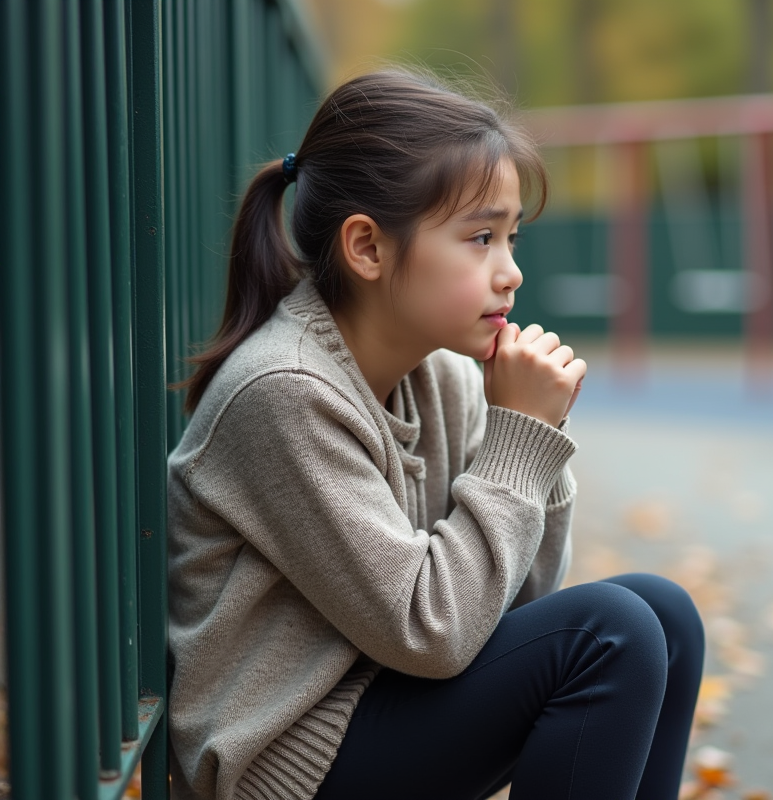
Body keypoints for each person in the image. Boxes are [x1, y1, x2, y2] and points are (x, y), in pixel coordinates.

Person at [168, 68, 704, 800]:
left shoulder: (442, 376)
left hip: (387, 700)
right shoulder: (283, 392)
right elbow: (433, 632)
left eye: (511, 237)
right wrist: (520, 437)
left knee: (663, 614)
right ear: (367, 248)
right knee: (611, 632)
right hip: (291, 761)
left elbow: (516, 603)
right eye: (480, 237)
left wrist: (537, 442)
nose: (510, 272)